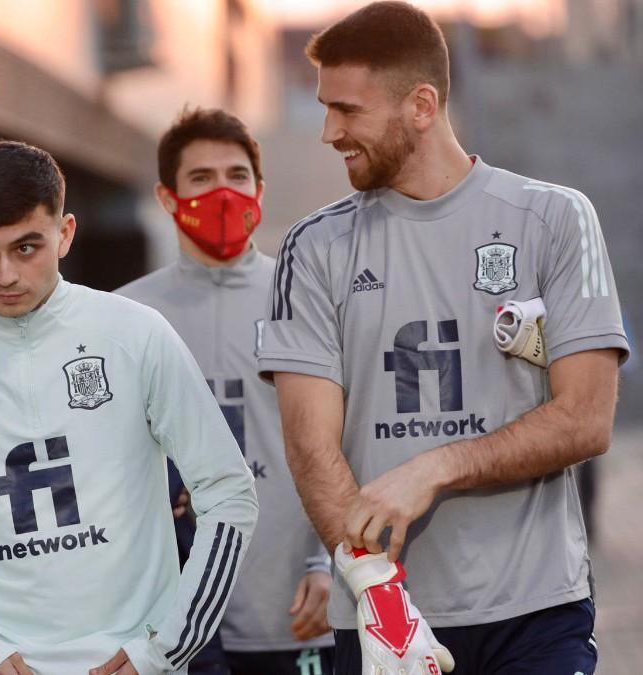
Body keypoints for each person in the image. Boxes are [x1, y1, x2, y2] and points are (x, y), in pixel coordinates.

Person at [258, 3, 629, 674]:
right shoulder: (312, 248)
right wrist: (383, 600)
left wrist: (435, 468)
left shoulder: (554, 218)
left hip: (535, 613)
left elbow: (586, 419)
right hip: (385, 618)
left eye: (348, 110)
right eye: (325, 108)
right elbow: (310, 447)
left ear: (422, 105)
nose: (328, 132)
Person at [0, 140, 258, 675]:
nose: (5, 274)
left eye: (26, 247)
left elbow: (228, 492)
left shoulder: (136, 333)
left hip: (138, 660)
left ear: (65, 234)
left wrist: (167, 648)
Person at [117, 107, 334, 675]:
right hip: (172, 628)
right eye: (201, 178)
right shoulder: (124, 316)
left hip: (297, 610)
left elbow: (350, 441)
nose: (222, 192)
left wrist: (332, 562)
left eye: (237, 176)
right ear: (168, 198)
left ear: (260, 189)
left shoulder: (309, 300)